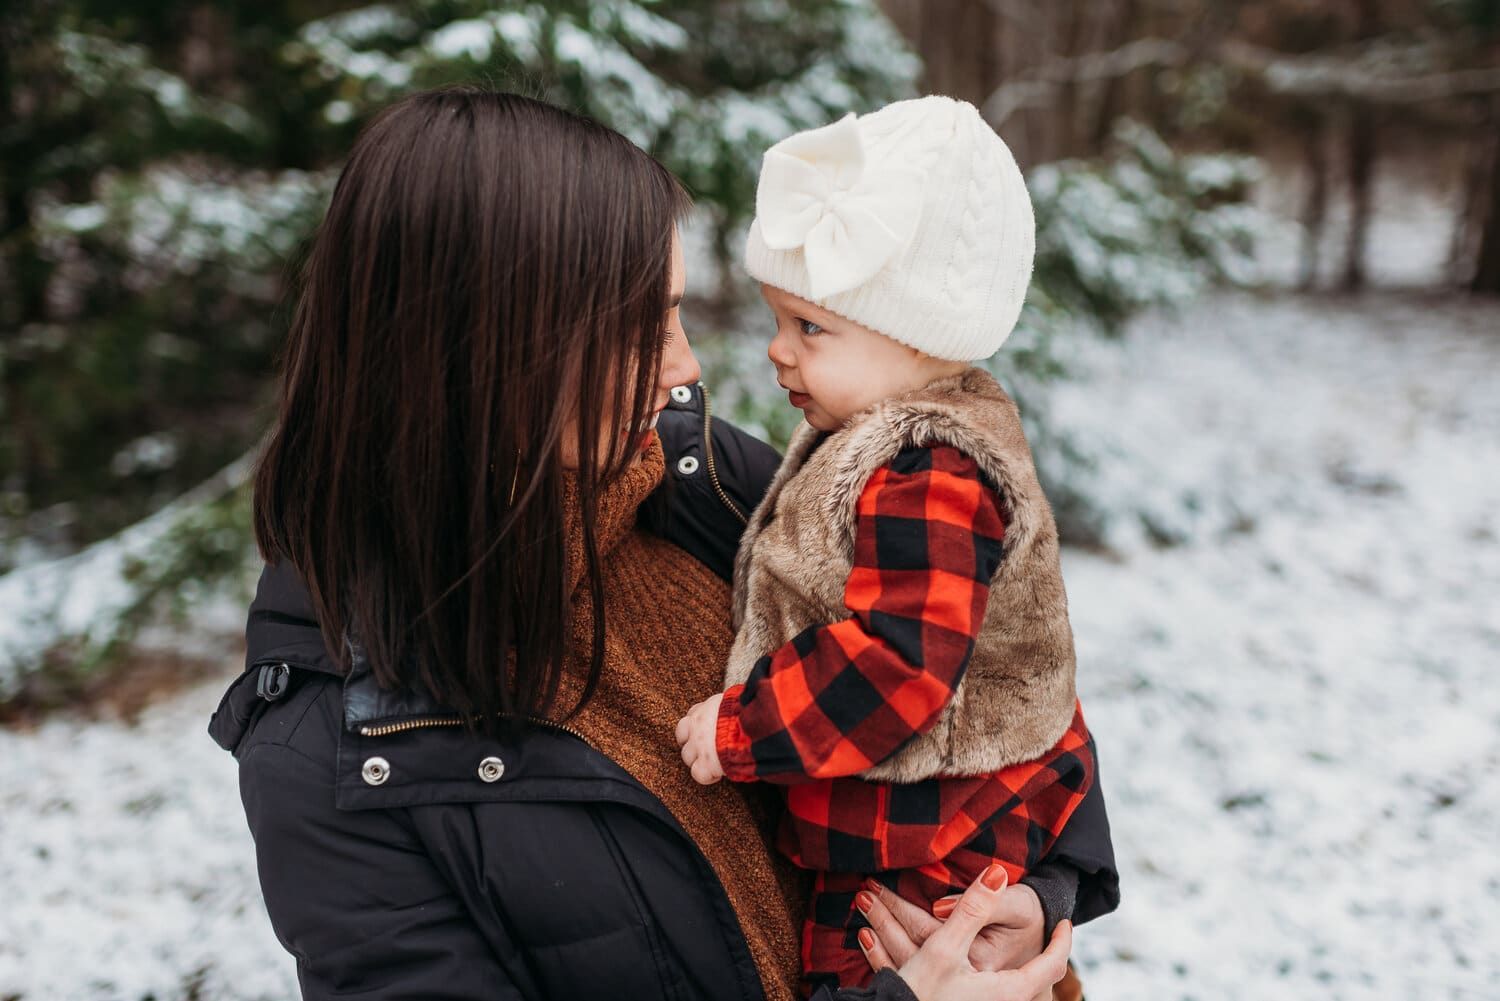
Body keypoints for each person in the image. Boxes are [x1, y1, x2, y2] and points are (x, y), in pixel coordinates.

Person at [208, 85, 1119, 1001]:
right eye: (641, 325)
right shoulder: (332, 755)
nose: (688, 367)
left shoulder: (706, 485)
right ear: (488, 348)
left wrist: (1036, 896)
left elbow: (986, 675)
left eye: (678, 312)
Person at [674, 97, 1100, 994]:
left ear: (920, 336)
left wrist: (742, 726)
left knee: (864, 972)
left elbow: (900, 659)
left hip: (935, 838)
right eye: (780, 320)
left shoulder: (930, 469)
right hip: (911, 819)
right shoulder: (887, 441)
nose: (776, 353)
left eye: (810, 327)